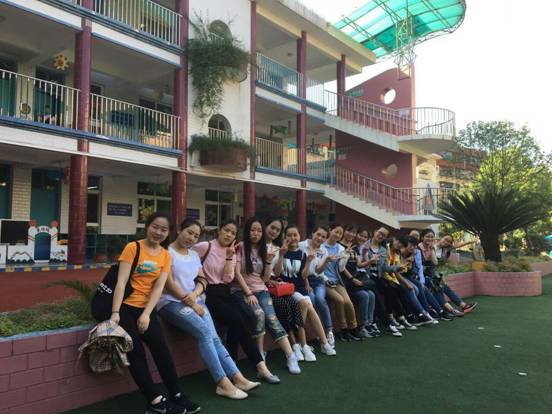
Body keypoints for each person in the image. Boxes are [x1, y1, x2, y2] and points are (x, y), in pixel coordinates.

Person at [158, 218, 261, 400]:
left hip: (196, 300)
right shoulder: (166, 253)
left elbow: (202, 280)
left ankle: (237, 377)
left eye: (196, 236)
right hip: (171, 303)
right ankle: (222, 383)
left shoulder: (193, 255)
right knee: (205, 332)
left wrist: (195, 294)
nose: (191, 238)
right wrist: (191, 302)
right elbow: (169, 284)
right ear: (180, 230)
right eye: (189, 232)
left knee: (214, 338)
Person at [110, 212, 200, 414]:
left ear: (169, 233)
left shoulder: (165, 255)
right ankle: (154, 400)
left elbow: (159, 287)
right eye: (155, 227)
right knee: (135, 352)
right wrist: (115, 312)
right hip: (124, 307)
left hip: (146, 308)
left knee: (161, 350)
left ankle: (176, 393)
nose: (158, 232)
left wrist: (146, 314)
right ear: (147, 226)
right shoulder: (133, 248)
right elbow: (121, 282)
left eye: (163, 229)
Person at [192, 219, 280, 384]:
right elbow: (186, 256)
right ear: (219, 230)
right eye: (226, 230)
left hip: (225, 291)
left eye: (233, 233)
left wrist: (228, 258)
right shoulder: (205, 246)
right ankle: (256, 366)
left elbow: (227, 278)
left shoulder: (232, 252)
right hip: (208, 292)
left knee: (240, 320)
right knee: (237, 319)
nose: (229, 235)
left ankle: (247, 365)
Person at [233, 217, 301, 375]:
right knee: (259, 314)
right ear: (247, 231)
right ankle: (260, 357)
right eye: (252, 230)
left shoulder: (264, 250)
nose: (256, 233)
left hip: (261, 289)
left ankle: (291, 356)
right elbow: (237, 273)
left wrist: (269, 262)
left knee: (271, 317)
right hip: (241, 291)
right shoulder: (240, 247)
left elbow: (264, 279)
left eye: (259, 230)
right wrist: (248, 293)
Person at [274, 224, 336, 359]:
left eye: (295, 235)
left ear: (299, 236)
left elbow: (303, 276)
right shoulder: (281, 251)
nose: (292, 238)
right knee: (306, 304)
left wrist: (308, 262)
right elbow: (277, 273)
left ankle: (322, 343)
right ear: (284, 236)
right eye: (289, 235)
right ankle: (305, 345)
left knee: (310, 308)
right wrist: (281, 256)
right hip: (288, 289)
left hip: (300, 288)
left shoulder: (302, 254)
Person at [264, 218, 309, 362]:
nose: (274, 232)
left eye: (277, 230)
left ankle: (301, 345)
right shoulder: (257, 246)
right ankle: (294, 344)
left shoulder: (277, 248)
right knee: (284, 306)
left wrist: (281, 255)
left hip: (275, 286)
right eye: (272, 228)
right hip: (262, 286)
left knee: (294, 305)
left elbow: (277, 274)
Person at [320, 224, 362, 341]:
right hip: (324, 281)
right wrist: (326, 280)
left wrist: (345, 256)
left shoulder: (340, 248)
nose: (337, 235)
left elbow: (341, 268)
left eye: (340, 233)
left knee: (348, 302)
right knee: (339, 300)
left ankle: (353, 328)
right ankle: (343, 329)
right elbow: (318, 267)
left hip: (337, 281)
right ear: (330, 230)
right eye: (336, 232)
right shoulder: (321, 247)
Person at [298, 225, 336, 345]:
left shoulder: (323, 250)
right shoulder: (301, 246)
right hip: (304, 279)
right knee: (312, 300)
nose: (320, 238)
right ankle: (316, 332)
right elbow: (300, 268)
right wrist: (306, 283)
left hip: (318, 280)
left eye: (323, 237)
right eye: (318, 234)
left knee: (320, 299)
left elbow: (319, 271)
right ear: (313, 233)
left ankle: (329, 331)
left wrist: (326, 261)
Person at [339, 224, 377, 338]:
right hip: (346, 280)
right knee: (364, 296)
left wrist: (370, 261)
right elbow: (341, 267)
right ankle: (362, 326)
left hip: (355, 278)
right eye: (349, 231)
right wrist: (352, 279)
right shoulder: (339, 246)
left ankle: (368, 324)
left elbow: (359, 264)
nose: (351, 234)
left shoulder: (354, 247)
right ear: (344, 231)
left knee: (371, 294)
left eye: (353, 232)